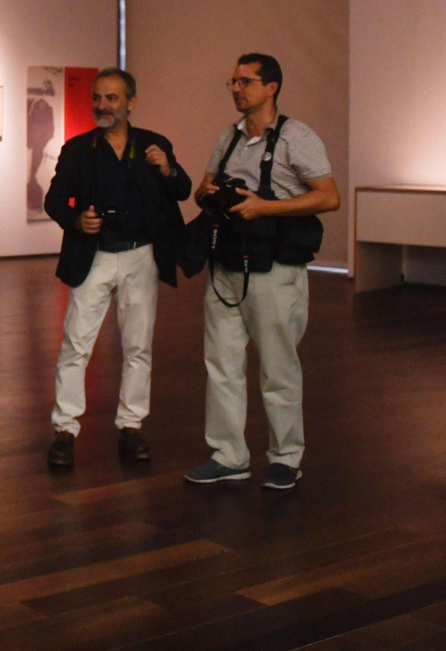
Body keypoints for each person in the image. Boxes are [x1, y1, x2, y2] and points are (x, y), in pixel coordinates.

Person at [185, 54, 339, 491]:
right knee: (222, 363)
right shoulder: (227, 138)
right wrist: (210, 193)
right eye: (232, 81)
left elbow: (329, 197)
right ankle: (228, 454)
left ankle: (286, 457)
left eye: (246, 81)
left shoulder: (297, 136)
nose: (236, 88)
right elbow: (203, 187)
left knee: (278, 366)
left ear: (271, 87)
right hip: (226, 262)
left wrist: (265, 206)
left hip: (274, 268)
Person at [42, 69, 190, 468]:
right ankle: (65, 430)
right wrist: (76, 221)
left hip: (141, 255)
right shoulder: (77, 149)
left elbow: (183, 190)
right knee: (77, 343)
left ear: (131, 102)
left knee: (138, 345)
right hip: (94, 254)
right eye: (97, 98)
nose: (101, 105)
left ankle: (131, 425)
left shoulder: (154, 146)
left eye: (110, 98)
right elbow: (54, 200)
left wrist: (168, 169)